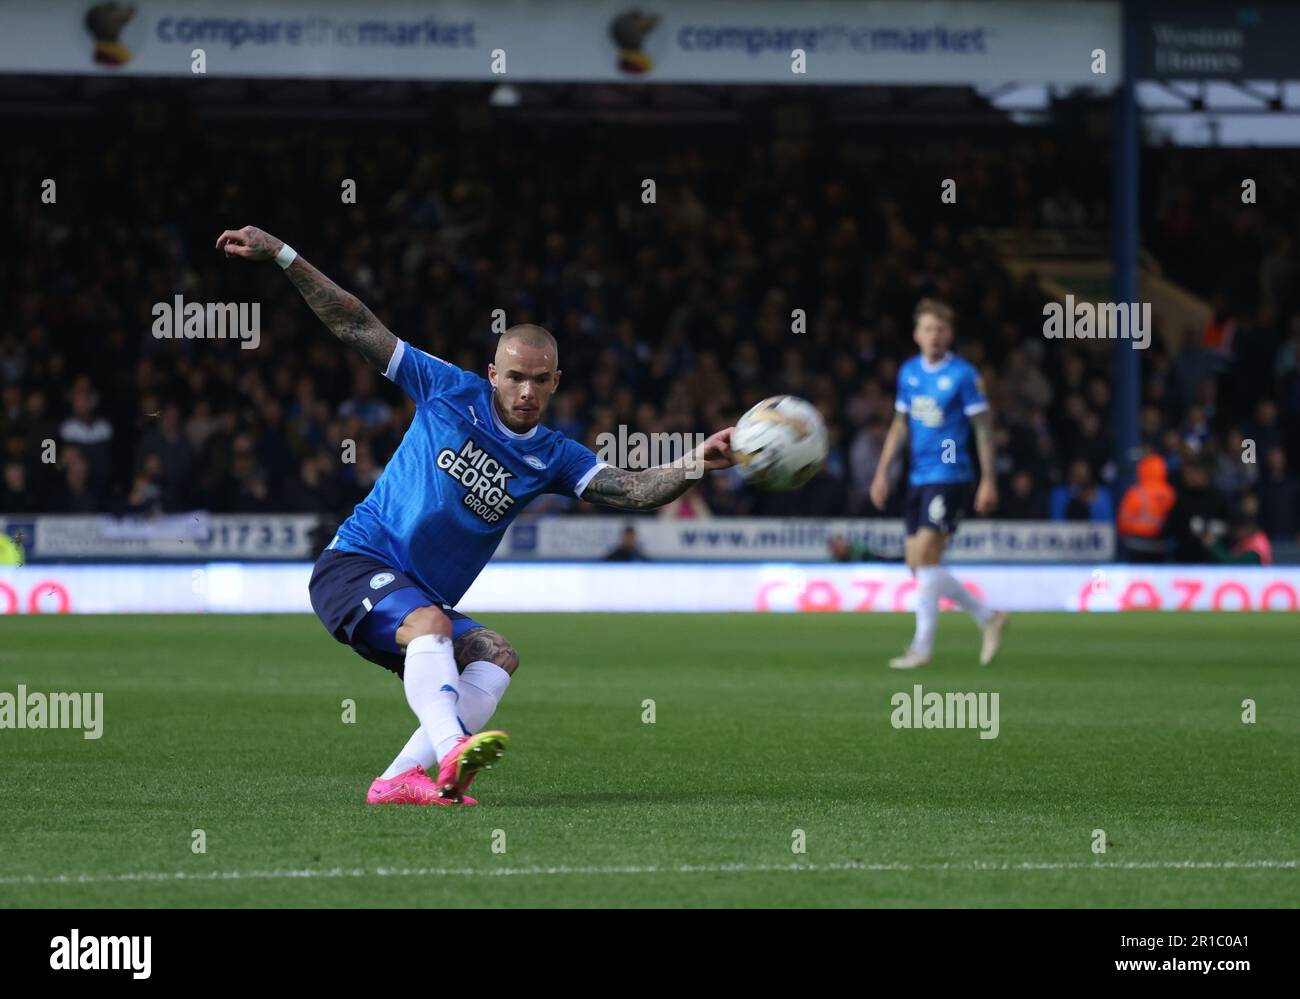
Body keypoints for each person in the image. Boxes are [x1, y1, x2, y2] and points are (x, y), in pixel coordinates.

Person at [217, 225, 736, 806]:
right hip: (356, 564)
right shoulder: (445, 389)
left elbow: (634, 490)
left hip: (421, 599)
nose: (525, 392)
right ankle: (452, 747)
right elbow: (356, 324)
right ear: (493, 374)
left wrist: (695, 462)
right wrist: (284, 254)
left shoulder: (555, 456)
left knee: (495, 656)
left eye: (540, 381)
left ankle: (397, 780)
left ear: (556, 383)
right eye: (514, 377)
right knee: (435, 627)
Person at [869, 299, 1008, 670]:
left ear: (950, 335)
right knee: (919, 566)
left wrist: (988, 481)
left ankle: (922, 649)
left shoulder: (963, 375)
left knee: (928, 557)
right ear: (917, 334)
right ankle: (987, 616)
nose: (935, 336)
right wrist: (882, 471)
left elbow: (983, 429)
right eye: (928, 329)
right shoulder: (909, 372)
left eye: (941, 329)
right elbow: (899, 424)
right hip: (917, 477)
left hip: (950, 475)